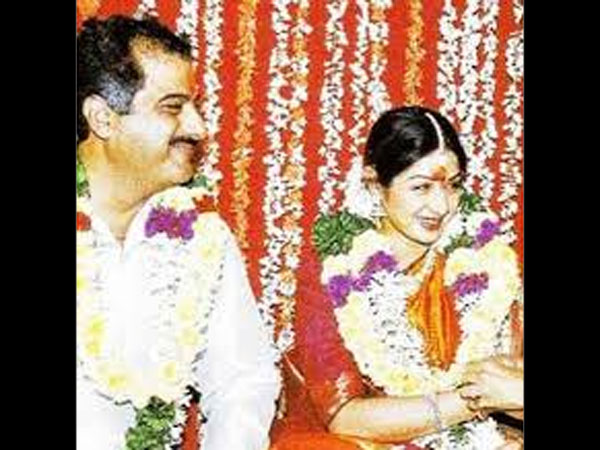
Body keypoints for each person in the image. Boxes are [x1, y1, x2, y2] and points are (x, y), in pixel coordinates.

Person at [76, 15, 280, 450]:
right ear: (102, 118)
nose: (198, 128)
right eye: (172, 107)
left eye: (194, 106)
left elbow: (243, 381)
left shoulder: (201, 237)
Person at [270, 106, 523, 450]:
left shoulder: (484, 261)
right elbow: (345, 417)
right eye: (421, 187)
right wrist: (475, 400)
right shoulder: (334, 274)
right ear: (375, 184)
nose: (441, 206)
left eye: (453, 186)